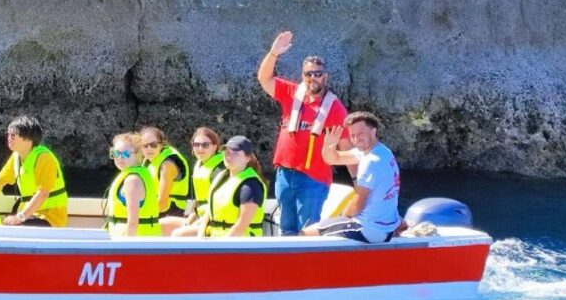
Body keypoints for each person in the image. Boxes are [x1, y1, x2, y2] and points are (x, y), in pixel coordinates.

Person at [257, 31, 352, 236]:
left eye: (317, 73)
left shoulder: (335, 108)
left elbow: (347, 148)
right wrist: (274, 53)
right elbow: (264, 79)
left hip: (313, 180)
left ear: (325, 76)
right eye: (308, 73)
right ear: (303, 76)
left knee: (307, 232)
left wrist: (359, 181)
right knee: (286, 229)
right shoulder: (291, 93)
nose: (313, 78)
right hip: (284, 174)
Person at [302, 112, 402, 243]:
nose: (355, 139)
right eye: (352, 136)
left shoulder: (371, 161)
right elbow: (333, 158)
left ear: (373, 131)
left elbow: (358, 204)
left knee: (304, 234)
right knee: (330, 224)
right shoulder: (382, 151)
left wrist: (341, 219)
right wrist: (329, 146)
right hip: (385, 228)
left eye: (360, 134)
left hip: (368, 229)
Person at [171, 136, 267, 238]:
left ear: (247, 158)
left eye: (235, 154)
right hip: (216, 236)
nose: (229, 157)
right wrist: (201, 234)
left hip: (240, 245)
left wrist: (221, 247)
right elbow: (209, 210)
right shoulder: (221, 178)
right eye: (227, 153)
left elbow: (241, 226)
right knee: (178, 235)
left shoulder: (250, 186)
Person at [0, 116, 69, 227]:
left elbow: (43, 193)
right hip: (30, 216)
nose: (9, 138)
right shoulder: (16, 157)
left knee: (15, 229)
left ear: (27, 139)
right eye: (8, 134)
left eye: (13, 135)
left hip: (50, 218)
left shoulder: (44, 158)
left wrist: (20, 217)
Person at [159, 127, 224, 236]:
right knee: (161, 225)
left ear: (214, 147)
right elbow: (197, 202)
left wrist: (201, 225)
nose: (200, 148)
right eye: (196, 144)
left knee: (178, 234)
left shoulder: (219, 169)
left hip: (215, 221)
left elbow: (218, 204)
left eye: (205, 145)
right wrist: (189, 221)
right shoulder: (199, 165)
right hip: (200, 217)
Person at [104, 132, 160, 236]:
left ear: (138, 154)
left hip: (138, 244)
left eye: (125, 154)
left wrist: (127, 248)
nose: (119, 158)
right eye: (116, 153)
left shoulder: (132, 180)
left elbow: (133, 221)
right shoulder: (136, 174)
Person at [139, 126, 190, 218]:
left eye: (153, 145)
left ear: (161, 144)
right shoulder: (149, 161)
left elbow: (162, 202)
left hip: (169, 213)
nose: (149, 149)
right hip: (155, 212)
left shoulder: (167, 164)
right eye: (145, 146)